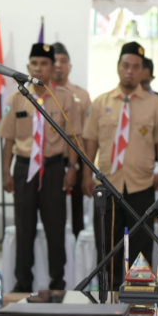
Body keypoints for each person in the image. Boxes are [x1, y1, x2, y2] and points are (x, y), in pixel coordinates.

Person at [82, 41, 158, 287]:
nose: (130, 71)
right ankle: (107, 295)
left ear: (143, 70)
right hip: (108, 186)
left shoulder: (156, 104)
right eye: (125, 65)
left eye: (136, 66)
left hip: (141, 185)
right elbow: (90, 142)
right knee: (107, 247)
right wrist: (86, 175)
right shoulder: (101, 102)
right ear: (118, 67)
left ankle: (139, 296)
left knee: (141, 246)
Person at [0, 42, 80, 292]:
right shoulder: (17, 99)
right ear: (27, 66)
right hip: (24, 169)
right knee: (24, 228)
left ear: (53, 68)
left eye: (44, 63)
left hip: (53, 169)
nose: (38, 68)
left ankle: (57, 283)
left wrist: (72, 168)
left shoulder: (64, 99)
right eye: (34, 63)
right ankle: (23, 283)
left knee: (56, 228)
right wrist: (6, 172)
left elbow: (74, 138)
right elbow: (8, 139)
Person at [52, 41, 90, 238]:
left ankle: (77, 245)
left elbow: (88, 133)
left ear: (70, 66)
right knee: (53, 213)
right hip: (52, 161)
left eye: (63, 61)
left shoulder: (82, 95)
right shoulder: (42, 94)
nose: (59, 65)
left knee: (77, 211)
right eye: (55, 61)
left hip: (77, 161)